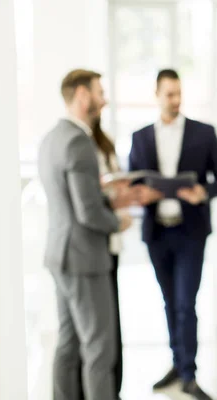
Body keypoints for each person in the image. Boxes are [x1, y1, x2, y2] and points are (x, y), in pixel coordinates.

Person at [128, 69, 217, 400]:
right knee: (169, 302)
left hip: (190, 233)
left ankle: (188, 374)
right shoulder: (140, 137)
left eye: (178, 93)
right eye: (169, 94)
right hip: (157, 233)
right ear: (156, 95)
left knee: (186, 303)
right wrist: (142, 192)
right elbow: (133, 182)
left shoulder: (203, 133)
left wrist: (204, 192)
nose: (175, 99)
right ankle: (177, 362)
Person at [38, 69, 133, 400]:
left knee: (68, 344)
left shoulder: (52, 137)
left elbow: (70, 199)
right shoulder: (79, 141)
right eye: (99, 92)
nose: (103, 100)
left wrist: (103, 196)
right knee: (99, 350)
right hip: (84, 258)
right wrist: (119, 222)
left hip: (59, 254)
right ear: (81, 95)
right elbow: (88, 212)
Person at [91, 120, 132, 398]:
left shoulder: (104, 142)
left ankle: (114, 387)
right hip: (96, 245)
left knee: (113, 320)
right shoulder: (79, 146)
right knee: (101, 326)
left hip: (111, 246)